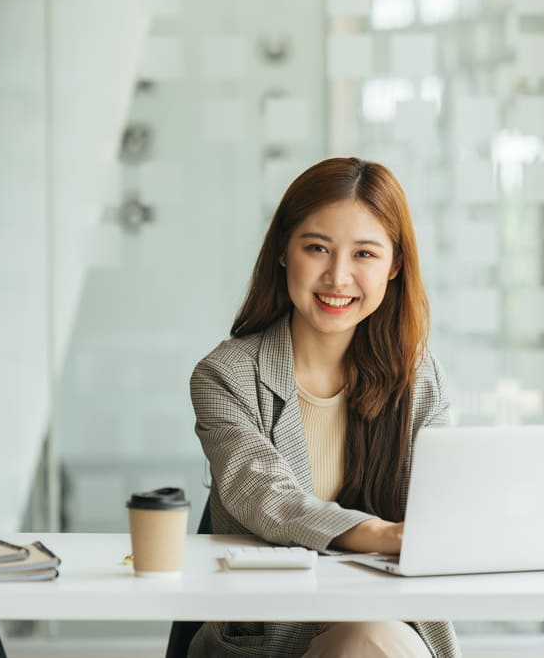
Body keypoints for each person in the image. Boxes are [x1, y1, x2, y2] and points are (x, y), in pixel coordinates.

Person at [188, 157, 458, 657]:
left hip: (387, 629)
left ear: (395, 265)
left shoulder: (422, 380)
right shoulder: (225, 376)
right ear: (284, 253)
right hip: (272, 642)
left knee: (370, 636)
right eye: (317, 248)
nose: (338, 277)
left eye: (365, 254)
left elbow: (444, 509)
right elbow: (265, 496)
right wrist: (378, 533)